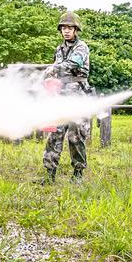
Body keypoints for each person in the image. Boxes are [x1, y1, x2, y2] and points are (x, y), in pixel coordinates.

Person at [39, 12, 92, 184]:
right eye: (63, 28)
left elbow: (73, 64)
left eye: (70, 28)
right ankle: (49, 174)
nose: (66, 31)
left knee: (76, 137)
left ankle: (77, 174)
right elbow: (56, 70)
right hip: (59, 97)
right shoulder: (59, 49)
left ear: (76, 30)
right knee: (54, 134)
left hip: (77, 97)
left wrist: (54, 68)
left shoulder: (81, 47)